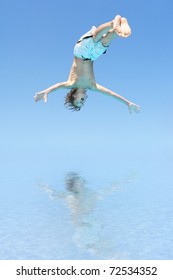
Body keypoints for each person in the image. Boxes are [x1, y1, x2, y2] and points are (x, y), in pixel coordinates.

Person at [34, 15, 140, 113]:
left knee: (94, 38)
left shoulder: (71, 83)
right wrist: (128, 103)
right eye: (82, 103)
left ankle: (112, 23)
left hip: (80, 53)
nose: (83, 101)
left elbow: (58, 86)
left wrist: (46, 91)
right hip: (92, 56)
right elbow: (111, 94)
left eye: (79, 101)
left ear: (74, 95)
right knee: (105, 42)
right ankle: (120, 26)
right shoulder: (92, 86)